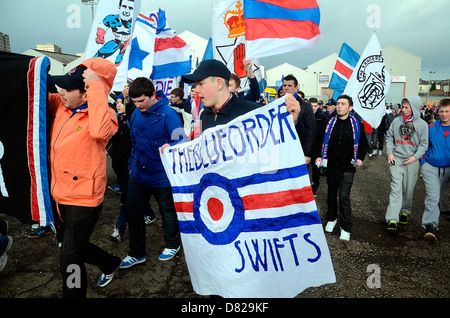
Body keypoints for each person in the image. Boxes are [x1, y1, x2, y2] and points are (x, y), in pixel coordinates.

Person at [49, 58, 122, 297]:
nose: (62, 92)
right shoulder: (63, 105)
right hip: (59, 194)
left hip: (83, 200)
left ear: (87, 93)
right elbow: (37, 96)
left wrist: (97, 89)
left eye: (69, 88)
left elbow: (100, 132)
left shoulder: (106, 115)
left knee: (69, 258)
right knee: (73, 246)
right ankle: (110, 263)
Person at [120, 77, 185, 269]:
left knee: (168, 211)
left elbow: (181, 140)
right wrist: (132, 165)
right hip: (138, 174)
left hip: (162, 175)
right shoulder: (135, 114)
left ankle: (173, 244)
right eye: (135, 101)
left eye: (142, 101)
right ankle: (136, 253)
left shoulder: (169, 114)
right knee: (133, 211)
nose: (139, 105)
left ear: (153, 95)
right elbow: (134, 141)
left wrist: (172, 145)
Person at [181, 59, 300, 132]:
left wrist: (292, 121)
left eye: (200, 83)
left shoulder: (251, 112)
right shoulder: (204, 115)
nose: (195, 89)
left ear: (219, 83)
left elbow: (278, 140)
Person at [315, 94, 368, 241]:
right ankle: (332, 218)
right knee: (331, 194)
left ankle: (346, 227)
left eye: (343, 104)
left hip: (348, 167)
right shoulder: (329, 122)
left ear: (350, 108)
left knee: (344, 197)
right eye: (338, 103)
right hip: (331, 166)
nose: (339, 106)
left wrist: (360, 158)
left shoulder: (357, 124)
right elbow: (321, 139)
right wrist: (320, 155)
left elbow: (363, 143)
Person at [107, 94, 155, 243]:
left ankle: (119, 230)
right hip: (119, 167)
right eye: (117, 103)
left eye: (122, 102)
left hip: (131, 167)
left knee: (126, 199)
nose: (119, 105)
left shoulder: (134, 121)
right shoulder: (116, 121)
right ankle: (149, 212)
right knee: (130, 195)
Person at [385, 96, 428, 233]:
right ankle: (392, 219)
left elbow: (423, 144)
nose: (403, 109)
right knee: (396, 189)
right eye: (402, 107)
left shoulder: (422, 125)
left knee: (408, 190)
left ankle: (405, 210)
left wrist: (415, 158)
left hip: (412, 162)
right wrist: (389, 153)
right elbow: (389, 137)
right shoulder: (396, 121)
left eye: (406, 107)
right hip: (396, 159)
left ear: (414, 108)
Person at [420, 98, 450, 242]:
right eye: (442, 111)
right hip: (431, 167)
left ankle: (434, 220)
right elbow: (423, 145)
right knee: (433, 196)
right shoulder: (431, 127)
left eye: (447, 111)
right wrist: (423, 162)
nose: (444, 114)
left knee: (438, 196)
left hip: (448, 170)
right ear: (438, 111)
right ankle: (429, 226)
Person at [282, 74, 316, 164]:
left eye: (290, 86)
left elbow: (311, 131)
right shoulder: (278, 105)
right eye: (284, 85)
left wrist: (307, 154)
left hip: (299, 149)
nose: (286, 88)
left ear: (296, 88)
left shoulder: (305, 106)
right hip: (283, 151)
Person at [309, 97, 327, 196]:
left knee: (316, 169)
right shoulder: (304, 116)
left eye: (315, 106)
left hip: (317, 148)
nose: (313, 108)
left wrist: (322, 151)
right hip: (306, 147)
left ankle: (315, 187)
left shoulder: (322, 117)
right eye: (311, 106)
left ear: (318, 106)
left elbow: (324, 135)